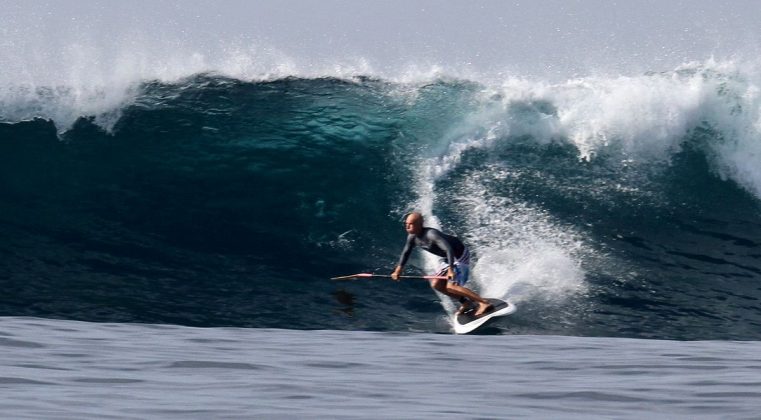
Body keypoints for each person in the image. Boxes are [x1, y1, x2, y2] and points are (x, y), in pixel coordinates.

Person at [391, 212, 493, 316]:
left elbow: (448, 249)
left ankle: (483, 302)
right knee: (436, 284)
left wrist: (451, 269)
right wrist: (399, 269)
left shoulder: (431, 234)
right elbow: (406, 252)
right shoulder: (412, 237)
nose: (407, 226)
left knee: (451, 286)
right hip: (447, 258)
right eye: (406, 224)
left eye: (411, 224)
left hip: (459, 255)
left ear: (420, 224)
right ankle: (466, 302)